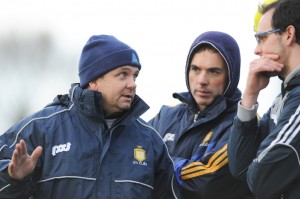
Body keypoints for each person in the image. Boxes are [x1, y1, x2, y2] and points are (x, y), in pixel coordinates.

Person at [0, 35, 177, 199]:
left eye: (135, 75)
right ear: (93, 80)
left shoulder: (150, 141)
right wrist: (13, 178)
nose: (133, 84)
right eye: (123, 74)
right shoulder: (42, 129)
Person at [149, 31, 253, 198]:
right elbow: (129, 155)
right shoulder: (166, 115)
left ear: (230, 76)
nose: (202, 80)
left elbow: (206, 183)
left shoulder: (244, 124)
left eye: (213, 71)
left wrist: (154, 163)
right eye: (196, 69)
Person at [228, 0, 300, 198]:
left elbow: (260, 181)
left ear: (289, 34)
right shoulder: (285, 96)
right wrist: (250, 96)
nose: (257, 50)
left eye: (261, 38)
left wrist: (258, 163)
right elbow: (240, 167)